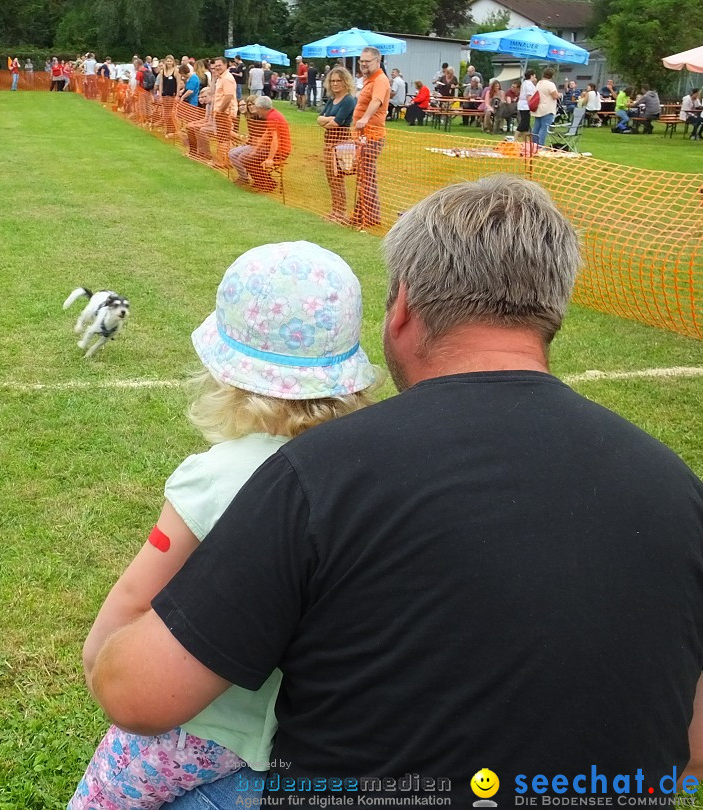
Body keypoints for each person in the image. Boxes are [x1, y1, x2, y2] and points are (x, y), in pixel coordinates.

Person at [87, 174, 703, 807]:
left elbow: (137, 694)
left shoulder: (318, 474)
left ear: (403, 306)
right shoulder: (678, 488)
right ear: (553, 310)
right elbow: (694, 747)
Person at [73, 240, 381, 810]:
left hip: (200, 727)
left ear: (227, 371)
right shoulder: (369, 470)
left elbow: (138, 594)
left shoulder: (214, 477)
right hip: (309, 730)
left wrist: (99, 662)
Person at [351, 46, 389, 229]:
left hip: (372, 135)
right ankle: (362, 214)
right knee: (365, 175)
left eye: (367, 61)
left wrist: (365, 118)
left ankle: (368, 216)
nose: (363, 64)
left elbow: (377, 101)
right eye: (361, 61)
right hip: (363, 135)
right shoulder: (368, 80)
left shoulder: (380, 80)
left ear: (377, 61)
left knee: (366, 175)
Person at [318, 66, 357, 224]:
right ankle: (335, 210)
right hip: (328, 143)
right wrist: (328, 119)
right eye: (332, 81)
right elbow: (319, 119)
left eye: (338, 81)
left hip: (341, 143)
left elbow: (336, 123)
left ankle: (340, 212)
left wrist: (328, 119)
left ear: (345, 82)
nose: (335, 84)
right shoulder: (332, 100)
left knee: (337, 178)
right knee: (331, 179)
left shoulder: (348, 100)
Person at [229, 95, 290, 191]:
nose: (256, 111)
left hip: (280, 151)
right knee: (246, 157)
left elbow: (275, 140)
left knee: (244, 158)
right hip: (274, 148)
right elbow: (266, 135)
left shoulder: (272, 118)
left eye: (257, 108)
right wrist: (256, 149)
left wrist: (270, 159)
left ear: (261, 108)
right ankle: (262, 181)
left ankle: (267, 183)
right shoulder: (272, 115)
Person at [189, 57, 236, 163]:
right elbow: (212, 92)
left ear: (226, 65)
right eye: (215, 67)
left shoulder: (227, 78)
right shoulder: (220, 78)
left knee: (223, 139)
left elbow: (228, 97)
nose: (217, 68)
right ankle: (221, 160)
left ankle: (221, 162)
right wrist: (214, 78)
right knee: (222, 138)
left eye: (219, 66)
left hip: (225, 113)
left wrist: (220, 112)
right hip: (221, 113)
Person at [531, 67, 559, 147]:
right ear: (552, 76)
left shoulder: (539, 83)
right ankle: (540, 145)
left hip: (539, 108)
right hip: (547, 109)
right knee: (544, 128)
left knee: (536, 127)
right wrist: (559, 95)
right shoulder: (550, 84)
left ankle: (534, 144)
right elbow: (554, 96)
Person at [517, 68, 536, 145]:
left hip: (523, 105)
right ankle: (515, 137)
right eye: (534, 75)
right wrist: (531, 106)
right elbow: (529, 96)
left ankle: (525, 141)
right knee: (524, 123)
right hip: (525, 106)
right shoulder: (528, 84)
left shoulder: (525, 82)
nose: (535, 77)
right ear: (531, 76)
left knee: (526, 125)